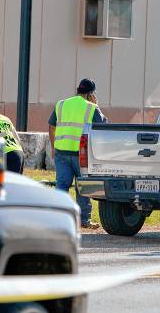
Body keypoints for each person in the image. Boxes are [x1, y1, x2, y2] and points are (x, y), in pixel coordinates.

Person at [49, 78, 106, 230]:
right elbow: (103, 126)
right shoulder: (91, 107)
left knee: (61, 186)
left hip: (61, 151)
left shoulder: (61, 104)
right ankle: (84, 220)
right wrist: (97, 106)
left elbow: (51, 125)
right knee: (82, 188)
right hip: (81, 155)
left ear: (78, 89)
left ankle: (59, 219)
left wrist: (53, 146)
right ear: (90, 94)